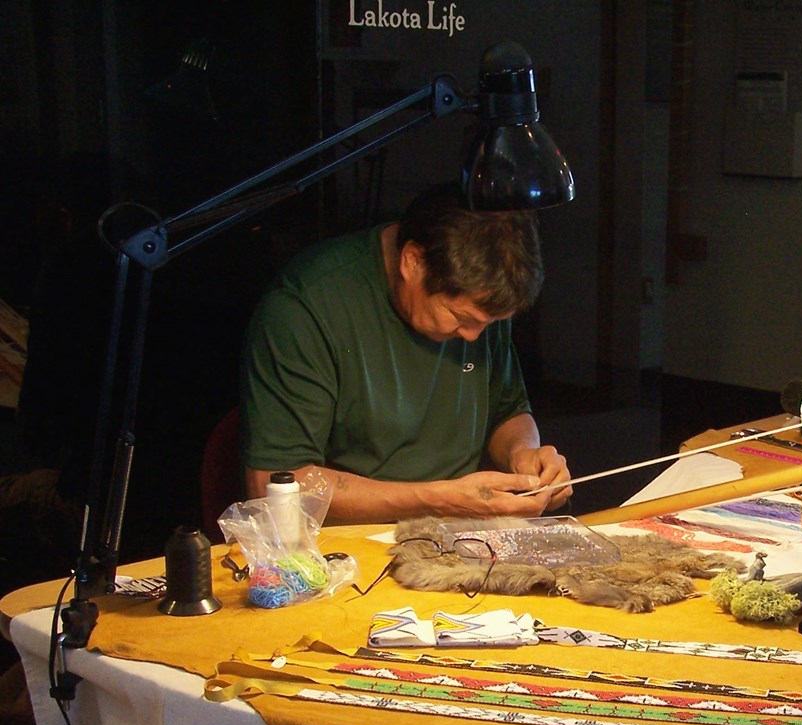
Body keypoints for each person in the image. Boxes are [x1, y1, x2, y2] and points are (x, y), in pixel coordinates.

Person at [239, 183, 572, 523]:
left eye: (490, 324)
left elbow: (506, 410)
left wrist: (525, 454)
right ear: (413, 262)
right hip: (347, 549)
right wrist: (436, 500)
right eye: (461, 318)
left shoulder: (481, 294)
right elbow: (275, 482)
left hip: (462, 535)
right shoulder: (304, 308)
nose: (473, 337)